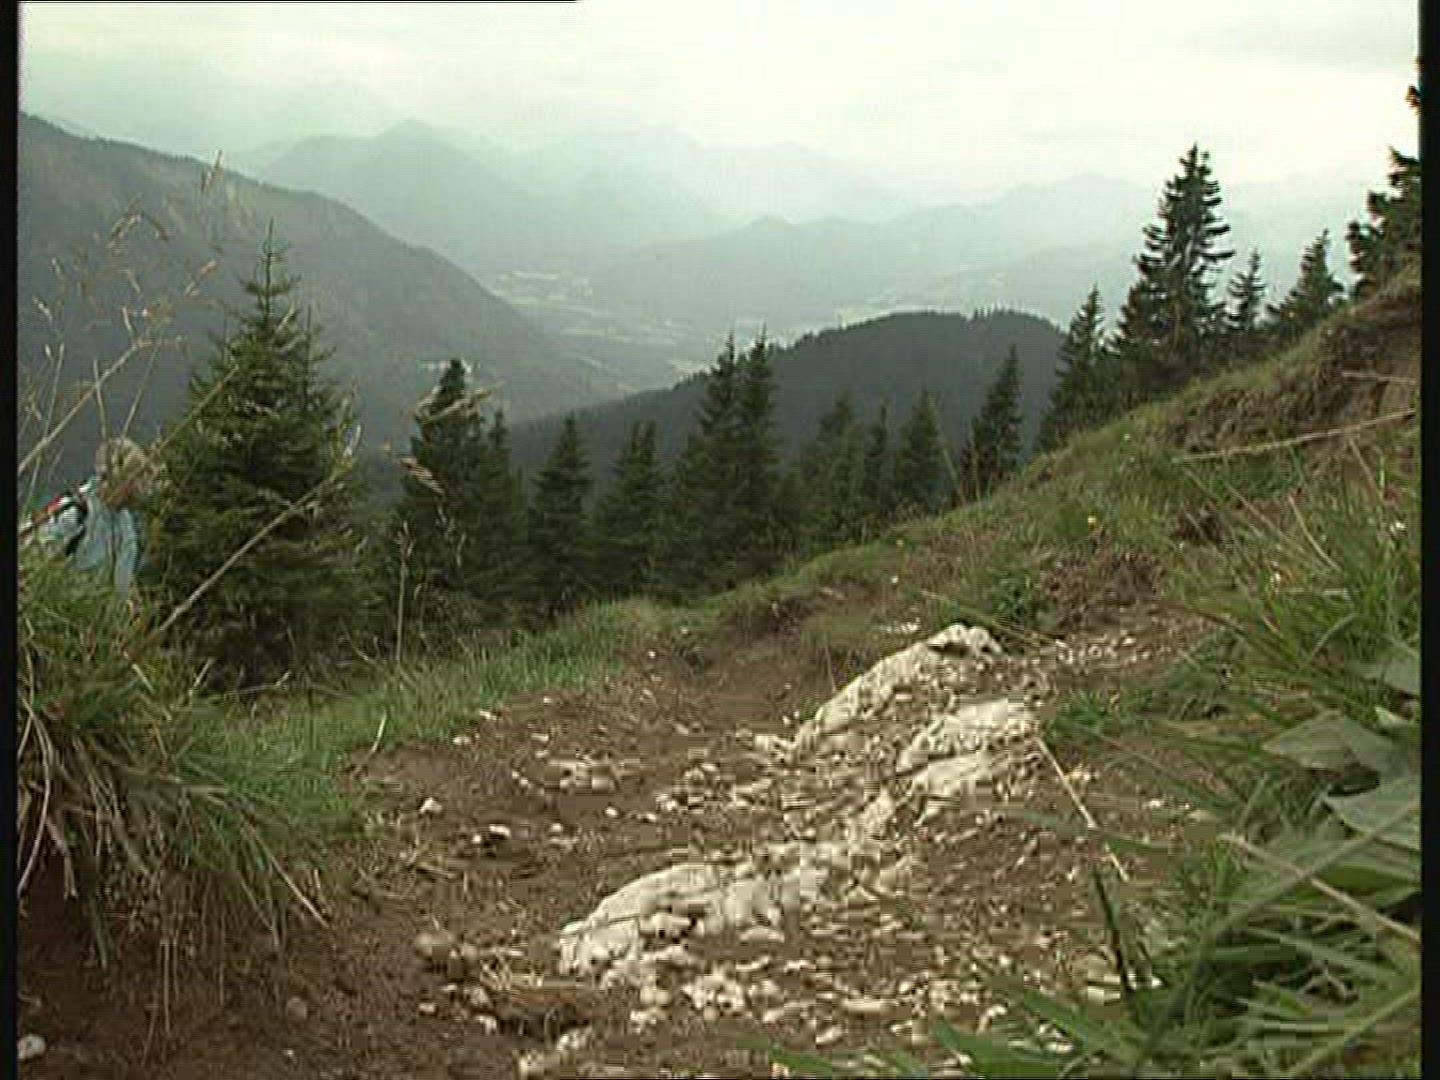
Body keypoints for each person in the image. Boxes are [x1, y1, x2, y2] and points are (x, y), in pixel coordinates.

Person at [27, 437, 156, 597]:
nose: (137, 491)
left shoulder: (126, 526)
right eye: (133, 483)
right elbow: (34, 556)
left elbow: (122, 586)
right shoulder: (75, 510)